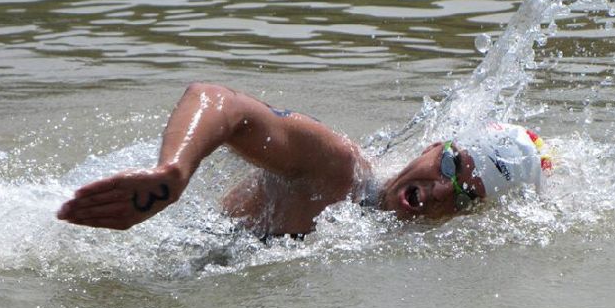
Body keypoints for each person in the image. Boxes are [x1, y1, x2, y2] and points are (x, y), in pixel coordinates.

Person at [57, 83, 550, 236]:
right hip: (137, 242)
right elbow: (219, 101)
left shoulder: (387, 235)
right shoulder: (337, 169)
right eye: (450, 167)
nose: (443, 191)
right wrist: (173, 172)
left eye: (465, 197)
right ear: (432, 146)